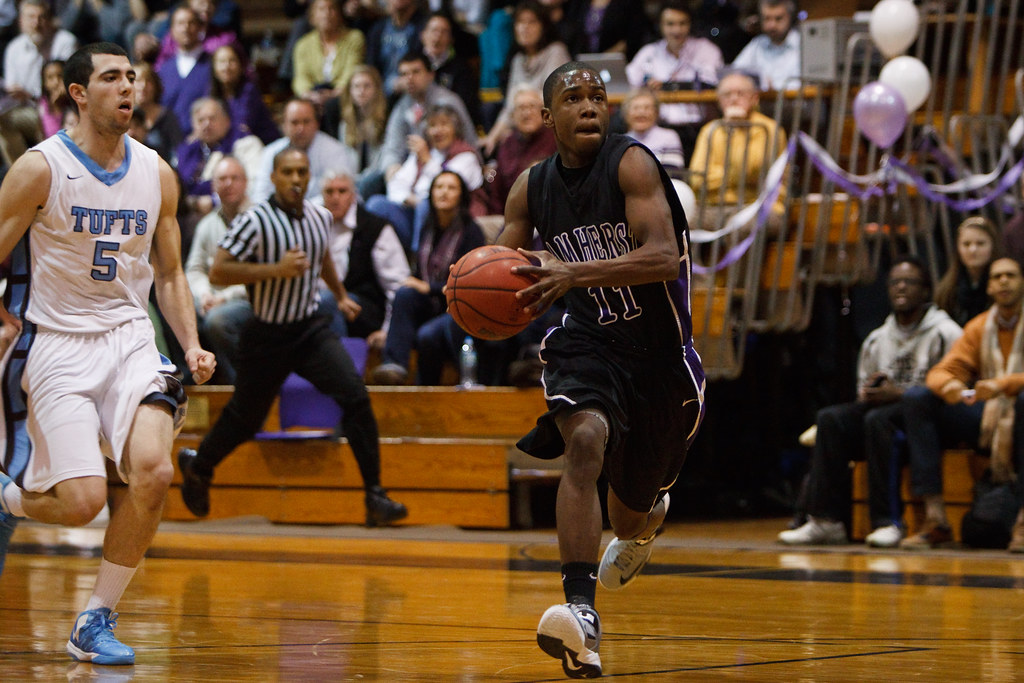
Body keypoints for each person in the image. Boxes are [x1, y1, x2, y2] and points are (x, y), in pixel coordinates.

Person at [0, 42, 216, 664]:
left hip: (129, 339)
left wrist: (192, 343)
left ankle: (96, 617)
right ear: (77, 93)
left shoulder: (157, 172)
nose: (128, 87)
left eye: (132, 77)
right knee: (83, 501)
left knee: (152, 470)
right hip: (57, 344)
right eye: (111, 78)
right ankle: (7, 496)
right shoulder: (39, 170)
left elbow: (170, 274)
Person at [497, 61, 705, 678]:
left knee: (628, 513)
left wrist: (572, 272)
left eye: (598, 96)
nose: (589, 106)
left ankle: (644, 526)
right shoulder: (529, 188)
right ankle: (580, 612)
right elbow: (506, 270)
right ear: (546, 116)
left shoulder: (632, 164)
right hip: (587, 342)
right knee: (583, 442)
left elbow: (664, 257)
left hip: (662, 360)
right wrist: (476, 292)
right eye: (573, 97)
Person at [176, 147, 408, 527]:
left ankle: (375, 496)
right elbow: (218, 271)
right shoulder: (255, 220)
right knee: (245, 418)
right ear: (274, 177)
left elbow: (324, 259)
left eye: (302, 171)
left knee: (355, 396)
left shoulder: (319, 216)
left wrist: (341, 295)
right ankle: (199, 467)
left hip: (309, 330)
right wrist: (275, 270)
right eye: (288, 172)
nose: (296, 179)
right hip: (267, 335)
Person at [777, 257, 963, 548]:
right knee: (830, 418)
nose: (901, 287)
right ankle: (826, 521)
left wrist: (898, 393)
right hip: (884, 409)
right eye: (895, 282)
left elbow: (953, 389)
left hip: (929, 416)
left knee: (878, 422)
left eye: (910, 282)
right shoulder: (877, 339)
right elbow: (862, 389)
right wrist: (870, 393)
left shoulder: (947, 332)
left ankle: (888, 522)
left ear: (926, 291)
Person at [900, 257, 1024, 550]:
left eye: (1011, 275)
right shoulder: (979, 326)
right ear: (990, 288)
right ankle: (935, 519)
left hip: (1018, 409)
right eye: (997, 277)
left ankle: (1023, 521)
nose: (1004, 281)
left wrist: (1003, 384)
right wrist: (951, 386)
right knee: (918, 398)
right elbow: (941, 371)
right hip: (990, 414)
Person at [370, 169, 486, 385]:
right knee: (405, 293)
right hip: (431, 303)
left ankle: (427, 391)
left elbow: (473, 283)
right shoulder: (427, 228)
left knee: (426, 334)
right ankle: (394, 365)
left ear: (461, 195)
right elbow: (418, 274)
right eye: (439, 187)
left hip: (458, 306)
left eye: (451, 188)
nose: (444, 192)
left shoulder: (472, 232)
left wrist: (429, 288)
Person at [367, 103, 483, 250]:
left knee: (426, 205)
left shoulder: (466, 156)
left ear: (455, 129)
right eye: (433, 125)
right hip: (414, 214)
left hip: (453, 221)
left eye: (444, 124)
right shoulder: (423, 153)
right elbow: (396, 184)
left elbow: (449, 188)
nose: (438, 131)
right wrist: (409, 199)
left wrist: (428, 161)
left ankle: (419, 260)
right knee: (376, 204)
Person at [689, 70, 787, 233]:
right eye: (727, 95)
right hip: (713, 207)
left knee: (740, 228)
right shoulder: (710, 130)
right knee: (679, 225)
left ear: (754, 98)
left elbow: (751, 172)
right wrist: (733, 177)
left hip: (757, 206)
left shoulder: (769, 129)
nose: (734, 99)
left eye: (740, 94)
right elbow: (698, 179)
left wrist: (735, 132)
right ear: (719, 101)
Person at [624, 0, 722, 163]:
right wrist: (646, 88)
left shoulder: (706, 50)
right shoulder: (649, 52)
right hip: (658, 129)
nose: (676, 30)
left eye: (682, 23)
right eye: (670, 24)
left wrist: (666, 87)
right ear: (660, 26)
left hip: (695, 129)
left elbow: (712, 84)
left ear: (690, 24)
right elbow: (628, 86)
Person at [318, 169, 410, 339]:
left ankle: (340, 362)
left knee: (326, 300)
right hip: (318, 304)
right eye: (329, 191)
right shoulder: (314, 225)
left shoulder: (375, 227)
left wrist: (387, 331)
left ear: (353, 195)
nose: (335, 197)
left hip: (364, 309)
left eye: (342, 191)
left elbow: (397, 286)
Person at [185, 155, 252, 384]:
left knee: (217, 320)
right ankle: (188, 377)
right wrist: (204, 293)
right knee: (177, 309)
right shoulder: (207, 224)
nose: (228, 183)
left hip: (250, 299)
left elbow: (263, 275)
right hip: (211, 298)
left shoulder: (260, 220)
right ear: (213, 185)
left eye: (235, 178)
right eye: (222, 179)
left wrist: (223, 297)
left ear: (246, 182)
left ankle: (240, 384)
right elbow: (194, 270)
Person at [478, 1, 571, 158]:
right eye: (520, 22)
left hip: (550, 129)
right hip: (522, 127)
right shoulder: (518, 60)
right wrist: (492, 138)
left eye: (531, 22)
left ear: (544, 26)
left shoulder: (556, 52)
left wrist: (519, 116)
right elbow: (510, 106)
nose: (524, 28)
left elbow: (553, 98)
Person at [377, 51, 478, 183]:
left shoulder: (447, 102)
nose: (409, 78)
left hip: (451, 172)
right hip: (413, 172)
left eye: (416, 72)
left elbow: (469, 142)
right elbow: (392, 146)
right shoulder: (402, 105)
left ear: (431, 75)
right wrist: (392, 170)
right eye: (404, 74)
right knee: (374, 185)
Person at [0, 0, 77, 165]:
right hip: (26, 109)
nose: (36, 23)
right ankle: (21, 170)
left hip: (60, 109)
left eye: (41, 17)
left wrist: (33, 95)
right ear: (21, 20)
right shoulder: (14, 48)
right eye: (31, 17)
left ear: (50, 19)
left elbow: (68, 85)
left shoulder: (64, 42)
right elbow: (11, 91)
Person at [250, 98, 357, 204]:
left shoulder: (335, 151)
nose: (301, 128)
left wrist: (301, 211)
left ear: (317, 124)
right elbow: (260, 195)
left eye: (306, 122)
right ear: (283, 125)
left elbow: (341, 194)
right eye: (294, 122)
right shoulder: (271, 152)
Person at [175, 96, 263, 216]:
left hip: (236, 214)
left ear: (227, 121)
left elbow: (253, 186)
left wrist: (213, 201)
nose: (207, 124)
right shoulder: (186, 150)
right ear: (193, 125)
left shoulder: (246, 144)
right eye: (201, 120)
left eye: (212, 119)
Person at [483, 86, 556, 215]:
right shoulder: (507, 143)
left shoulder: (556, 139)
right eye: (521, 108)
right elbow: (497, 190)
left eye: (532, 107)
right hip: (508, 216)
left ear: (545, 113)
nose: (526, 113)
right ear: (512, 116)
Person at [320, 65, 389, 196]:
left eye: (367, 86)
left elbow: (381, 165)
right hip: (350, 180)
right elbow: (342, 159)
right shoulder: (345, 122)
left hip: (376, 180)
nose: (361, 91)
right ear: (349, 91)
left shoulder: (385, 120)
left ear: (376, 89)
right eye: (356, 86)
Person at [291, 0, 366, 108]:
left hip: (345, 97)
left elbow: (351, 73)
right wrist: (310, 95)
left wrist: (334, 94)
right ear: (312, 17)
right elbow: (301, 78)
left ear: (339, 14)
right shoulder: (303, 44)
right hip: (313, 98)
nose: (327, 14)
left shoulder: (354, 38)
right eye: (321, 9)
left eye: (332, 9)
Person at [156, 6, 212, 136]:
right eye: (180, 23)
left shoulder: (212, 65)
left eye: (191, 23)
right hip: (168, 143)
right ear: (172, 30)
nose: (186, 28)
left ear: (200, 28)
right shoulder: (164, 70)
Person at [935, 215, 1001, 328]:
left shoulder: (1003, 284)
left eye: (980, 243)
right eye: (966, 244)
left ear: (993, 246)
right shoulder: (946, 290)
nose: (973, 250)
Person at [209, 42, 280, 144]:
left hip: (260, 147)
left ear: (241, 66)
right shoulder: (212, 94)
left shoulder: (249, 91)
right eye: (221, 62)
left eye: (232, 61)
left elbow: (243, 127)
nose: (227, 67)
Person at [419, 10, 481, 127]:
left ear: (451, 39)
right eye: (434, 30)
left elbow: (466, 109)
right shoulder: (412, 65)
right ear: (422, 35)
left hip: (449, 128)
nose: (438, 36)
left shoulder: (462, 69)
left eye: (444, 32)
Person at [729, 0, 801, 91]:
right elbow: (733, 73)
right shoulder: (757, 44)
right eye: (767, 19)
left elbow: (810, 84)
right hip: (763, 103)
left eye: (778, 19)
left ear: (790, 18)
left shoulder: (804, 45)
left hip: (797, 103)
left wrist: (773, 90)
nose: (772, 25)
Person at [364, 0, 427, 96]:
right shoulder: (378, 29)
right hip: (379, 92)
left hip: (411, 89)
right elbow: (371, 65)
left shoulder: (423, 27)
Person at [621, 87, 684, 170]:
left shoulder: (669, 137)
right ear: (626, 114)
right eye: (636, 108)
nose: (641, 113)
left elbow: (674, 170)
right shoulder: (621, 141)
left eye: (647, 108)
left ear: (656, 112)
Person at [132, 60, 182, 162]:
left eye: (148, 81)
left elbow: (177, 151)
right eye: (138, 81)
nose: (143, 86)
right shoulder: (123, 116)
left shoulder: (168, 117)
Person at [37, 58, 70, 138]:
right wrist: (56, 105)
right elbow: (52, 134)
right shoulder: (43, 106)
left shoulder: (76, 100)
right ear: (45, 83)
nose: (56, 82)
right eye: (50, 78)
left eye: (60, 76)